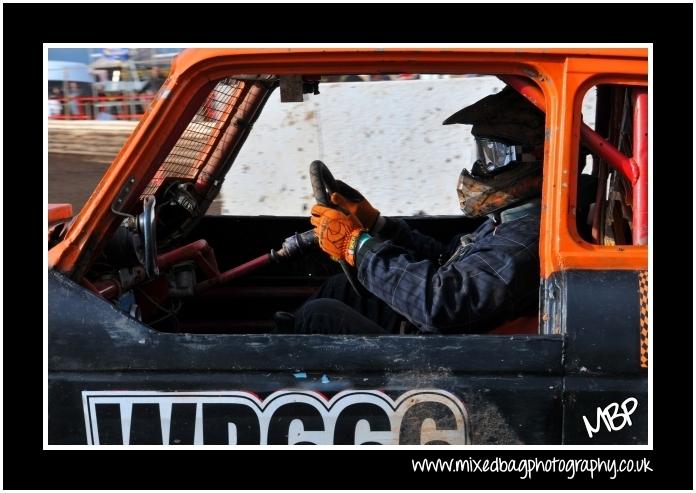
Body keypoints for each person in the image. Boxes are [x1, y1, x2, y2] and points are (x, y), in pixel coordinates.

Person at [290, 86, 546, 335]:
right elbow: (446, 261)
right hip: (440, 340)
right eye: (479, 153)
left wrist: (356, 246)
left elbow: (443, 304)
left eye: (492, 156)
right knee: (341, 289)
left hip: (444, 365)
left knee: (319, 318)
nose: (480, 166)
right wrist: (380, 227)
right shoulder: (510, 221)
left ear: (537, 158)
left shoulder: (525, 241)